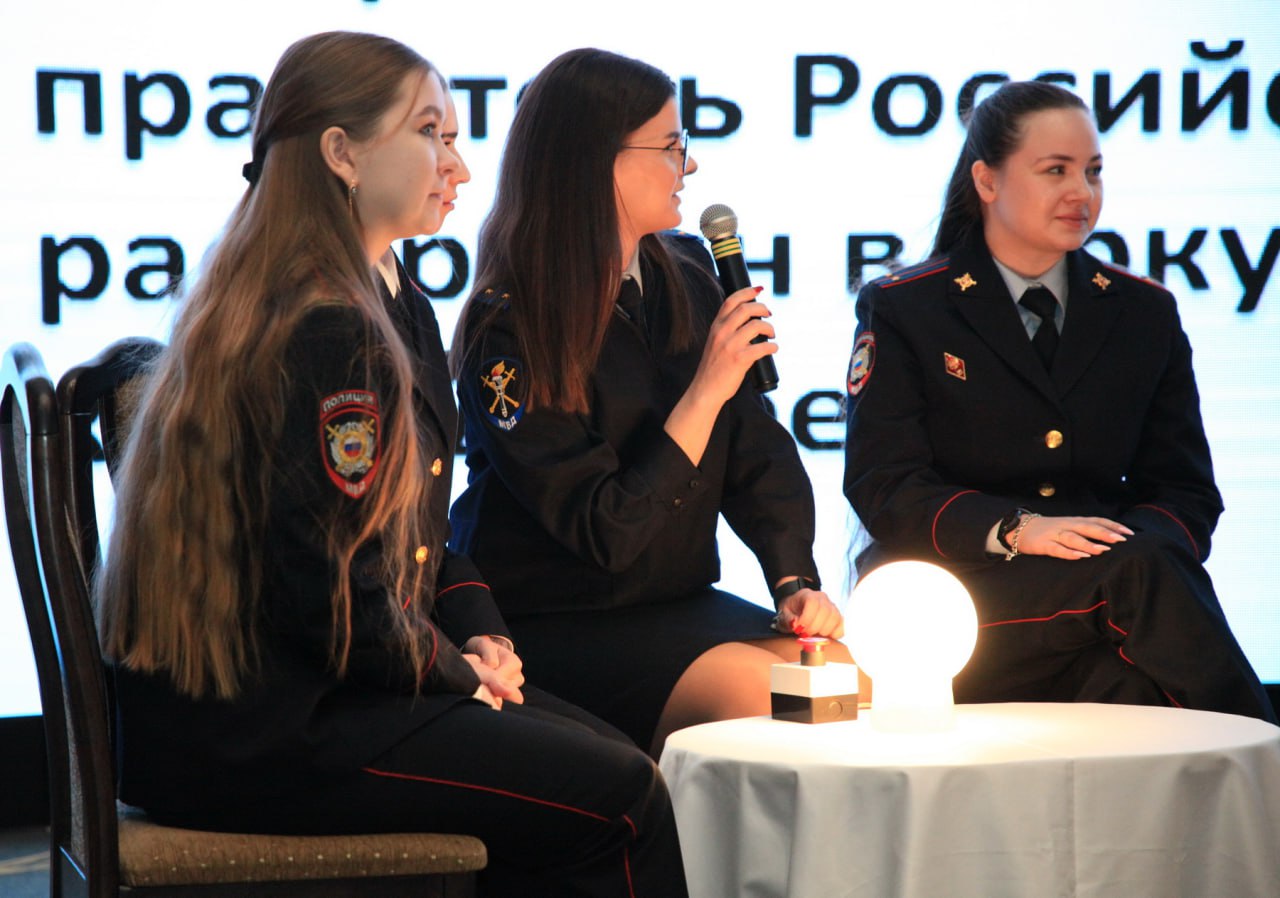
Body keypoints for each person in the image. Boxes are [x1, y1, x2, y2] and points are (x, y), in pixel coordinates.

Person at [95, 31, 689, 896]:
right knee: (622, 794)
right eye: (430, 133)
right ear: (341, 153)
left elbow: (412, 533)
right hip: (272, 728)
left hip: (323, 687)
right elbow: (332, 591)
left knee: (609, 758)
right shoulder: (325, 321)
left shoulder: (390, 294)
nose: (460, 167)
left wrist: (481, 632)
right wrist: (456, 673)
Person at [449, 47, 846, 757]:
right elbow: (605, 532)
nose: (687, 166)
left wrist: (793, 580)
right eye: (669, 147)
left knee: (840, 678)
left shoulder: (686, 270)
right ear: (595, 161)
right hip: (558, 617)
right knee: (766, 698)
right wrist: (706, 389)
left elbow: (754, 447)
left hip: (673, 601)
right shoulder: (509, 326)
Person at [842, 80, 1275, 723]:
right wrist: (1022, 530)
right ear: (987, 181)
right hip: (954, 601)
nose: (1082, 193)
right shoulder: (908, 306)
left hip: (1105, 596)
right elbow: (885, 487)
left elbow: (1185, 493)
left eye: (1093, 172)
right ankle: (1266, 756)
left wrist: (1116, 547)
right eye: (1056, 171)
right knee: (1138, 578)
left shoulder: (1144, 311)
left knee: (1127, 687)